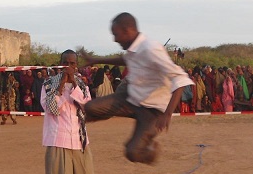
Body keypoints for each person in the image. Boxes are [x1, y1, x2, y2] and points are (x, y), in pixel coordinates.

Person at [82, 13, 193, 164]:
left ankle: (151, 148)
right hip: (131, 99)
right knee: (91, 107)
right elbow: (126, 59)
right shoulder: (134, 49)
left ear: (127, 30)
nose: (115, 39)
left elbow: (180, 78)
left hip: (151, 110)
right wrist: (95, 60)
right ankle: (91, 116)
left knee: (133, 152)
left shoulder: (150, 49)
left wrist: (167, 114)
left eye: (116, 35)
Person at [41, 49, 107, 174]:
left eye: (73, 63)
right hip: (58, 142)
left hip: (81, 142)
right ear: (59, 64)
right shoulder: (48, 84)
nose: (70, 66)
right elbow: (51, 109)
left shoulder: (82, 85)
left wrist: (74, 85)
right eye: (66, 63)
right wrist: (61, 85)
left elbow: (87, 106)